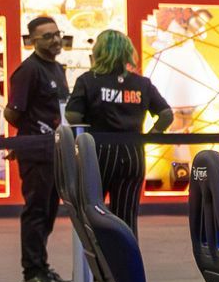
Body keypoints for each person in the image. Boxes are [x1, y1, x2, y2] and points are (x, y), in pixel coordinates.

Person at [67, 29, 174, 229]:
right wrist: (151, 136)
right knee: (127, 214)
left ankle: (96, 257)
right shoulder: (141, 83)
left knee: (91, 209)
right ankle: (126, 257)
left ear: (99, 51)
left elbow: (72, 115)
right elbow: (166, 114)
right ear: (127, 52)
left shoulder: (88, 80)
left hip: (98, 152)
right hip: (133, 152)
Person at [6, 13, 69, 282]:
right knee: (36, 209)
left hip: (55, 152)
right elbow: (12, 113)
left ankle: (41, 264)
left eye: (57, 34)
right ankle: (32, 269)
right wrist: (32, 133)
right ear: (33, 41)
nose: (55, 40)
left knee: (50, 209)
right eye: (48, 36)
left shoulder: (57, 68)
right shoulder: (28, 70)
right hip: (36, 152)